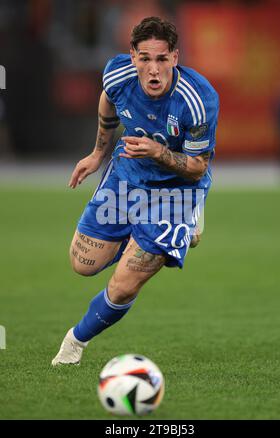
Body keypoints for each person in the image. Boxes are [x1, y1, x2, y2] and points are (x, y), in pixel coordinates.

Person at [51, 16, 219, 366]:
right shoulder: (116, 76)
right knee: (83, 264)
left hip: (176, 192)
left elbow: (198, 166)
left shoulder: (197, 100)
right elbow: (107, 101)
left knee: (126, 282)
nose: (153, 69)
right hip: (126, 177)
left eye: (161, 59)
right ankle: (142, 239)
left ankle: (74, 342)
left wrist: (157, 151)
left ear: (175, 57)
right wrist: (98, 153)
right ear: (132, 57)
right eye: (145, 58)